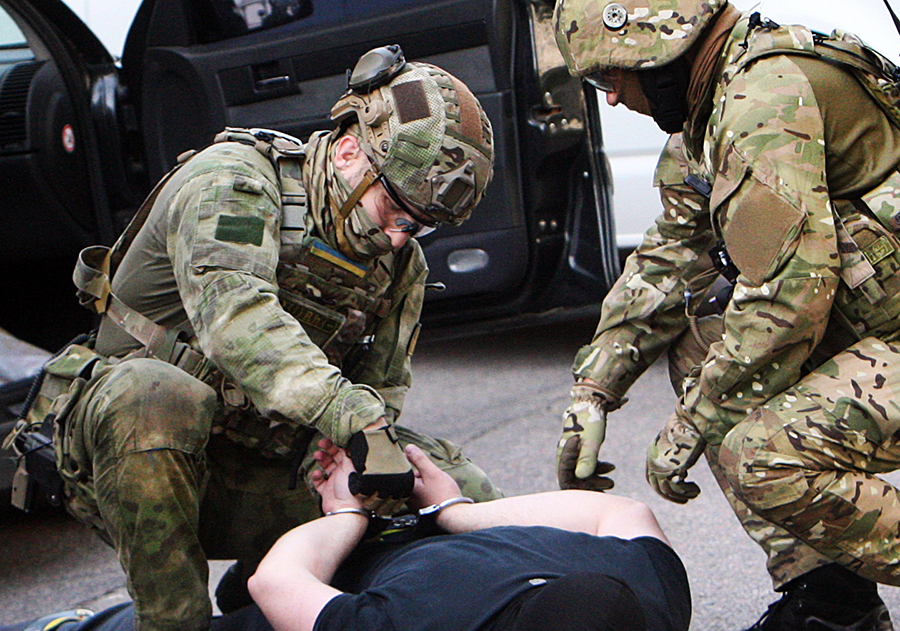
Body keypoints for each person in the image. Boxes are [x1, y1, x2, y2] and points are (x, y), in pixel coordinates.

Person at [4, 45, 500, 631]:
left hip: (261, 467)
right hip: (134, 461)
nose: (398, 237)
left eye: (417, 226)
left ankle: (271, 589)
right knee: (153, 393)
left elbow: (383, 386)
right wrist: (352, 418)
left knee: (450, 483)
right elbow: (237, 319)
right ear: (348, 152)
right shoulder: (233, 182)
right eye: (393, 209)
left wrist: (351, 452)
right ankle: (173, 623)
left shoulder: (400, 264)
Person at [550, 0, 900, 629]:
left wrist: (693, 422)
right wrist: (593, 390)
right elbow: (670, 257)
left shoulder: (764, 98)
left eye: (607, 78)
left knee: (763, 455)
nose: (610, 98)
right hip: (884, 322)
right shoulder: (712, 108)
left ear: (657, 51)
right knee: (701, 346)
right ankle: (832, 605)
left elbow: (787, 296)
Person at [1, 439, 691, 631]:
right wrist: (343, 517)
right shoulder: (423, 619)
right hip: (351, 553)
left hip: (407, 540)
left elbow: (623, 513)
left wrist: (455, 511)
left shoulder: (648, 591)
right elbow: (276, 582)